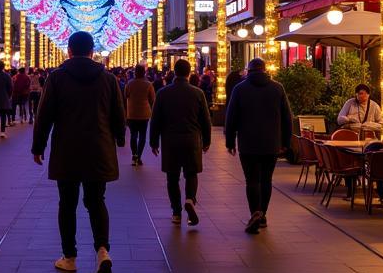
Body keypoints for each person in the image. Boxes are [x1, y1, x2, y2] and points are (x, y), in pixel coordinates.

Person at [32, 31, 126, 273]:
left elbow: (44, 116)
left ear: (69, 51)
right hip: (99, 149)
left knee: (67, 204)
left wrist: (38, 146)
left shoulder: (56, 78)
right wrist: (120, 138)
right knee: (97, 201)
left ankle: (70, 257)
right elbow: (119, 113)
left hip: (67, 151)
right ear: (93, 51)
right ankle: (102, 250)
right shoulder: (108, 79)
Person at [224, 57, 292, 234]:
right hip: (271, 144)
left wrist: (230, 141)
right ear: (265, 69)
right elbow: (287, 118)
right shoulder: (278, 88)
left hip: (248, 143)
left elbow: (231, 117)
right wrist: (286, 142)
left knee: (252, 180)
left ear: (249, 70)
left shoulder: (239, 89)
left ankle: (255, 211)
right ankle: (262, 215)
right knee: (267, 179)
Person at [149, 59, 211, 225]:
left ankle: (176, 212)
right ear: (189, 72)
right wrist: (207, 140)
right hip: (191, 139)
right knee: (191, 173)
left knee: (172, 177)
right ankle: (190, 199)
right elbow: (205, 119)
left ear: (174, 72)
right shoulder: (198, 93)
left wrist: (153, 141)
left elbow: (155, 119)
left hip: (170, 141)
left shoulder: (163, 93)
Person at [124, 63, 155, 166]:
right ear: (144, 73)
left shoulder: (130, 83)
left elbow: (126, 95)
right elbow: (152, 99)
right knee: (142, 136)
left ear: (135, 72)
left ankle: (134, 155)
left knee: (133, 135)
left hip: (132, 113)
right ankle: (139, 156)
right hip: (144, 114)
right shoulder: (148, 84)